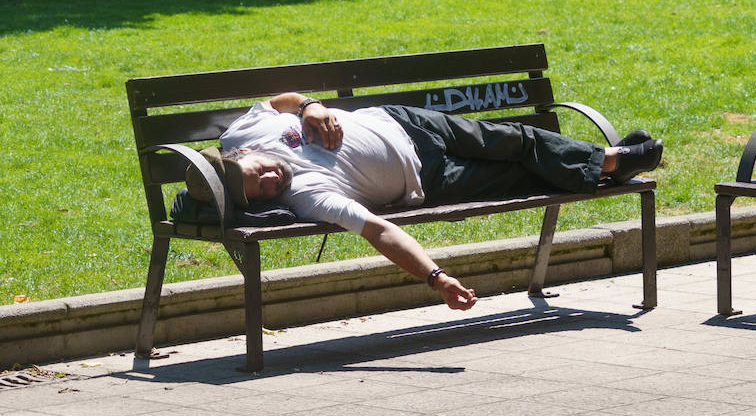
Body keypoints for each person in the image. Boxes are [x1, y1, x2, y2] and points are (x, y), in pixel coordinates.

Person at [191, 95, 664, 312]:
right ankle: (612, 161)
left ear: (242, 155)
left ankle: (608, 161)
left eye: (262, 173)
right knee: (518, 172)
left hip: (405, 122)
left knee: (515, 139)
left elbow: (281, 101)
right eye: (265, 191)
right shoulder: (307, 197)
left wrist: (311, 106)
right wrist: (436, 278)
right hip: (428, 178)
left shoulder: (244, 132)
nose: (274, 179)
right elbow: (378, 230)